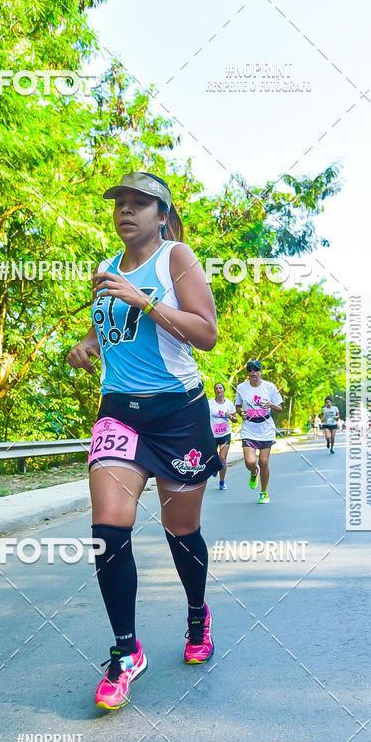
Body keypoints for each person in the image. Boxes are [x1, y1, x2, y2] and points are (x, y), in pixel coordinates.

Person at [67, 171, 222, 712]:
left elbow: (206, 334)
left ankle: (197, 615)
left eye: (139, 203)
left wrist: (144, 301)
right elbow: (106, 328)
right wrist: (86, 345)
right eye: (120, 203)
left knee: (182, 531)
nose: (126, 211)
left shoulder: (177, 258)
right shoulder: (105, 268)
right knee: (108, 529)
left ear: (162, 214)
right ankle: (126, 651)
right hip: (119, 414)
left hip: (177, 414)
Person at [234, 359, 283, 504]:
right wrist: (241, 412)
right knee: (250, 462)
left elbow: (280, 409)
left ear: (260, 372)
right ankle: (254, 471)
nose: (252, 372)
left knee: (263, 461)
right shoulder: (241, 388)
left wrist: (270, 404)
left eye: (255, 369)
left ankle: (264, 492)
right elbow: (238, 407)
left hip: (266, 428)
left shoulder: (269, 387)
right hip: (249, 428)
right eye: (250, 370)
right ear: (248, 373)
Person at [209, 382, 237, 489]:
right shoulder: (210, 403)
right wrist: (225, 414)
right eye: (216, 388)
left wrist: (231, 417)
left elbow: (235, 419)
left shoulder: (229, 404)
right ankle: (215, 466)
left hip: (225, 434)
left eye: (220, 388)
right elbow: (211, 413)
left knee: (223, 458)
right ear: (214, 391)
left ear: (223, 390)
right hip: (212, 435)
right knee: (212, 457)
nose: (218, 390)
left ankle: (222, 481)